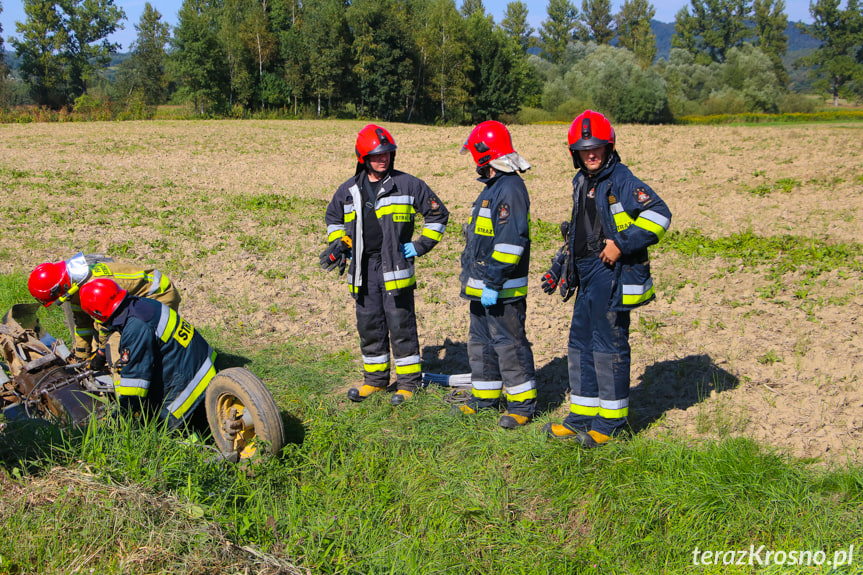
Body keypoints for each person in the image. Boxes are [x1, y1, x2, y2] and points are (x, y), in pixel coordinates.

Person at [541, 110, 672, 447]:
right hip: (585, 275)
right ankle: (581, 417)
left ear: (609, 147)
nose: (591, 154)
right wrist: (560, 267)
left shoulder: (622, 179)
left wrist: (622, 244)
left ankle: (611, 424)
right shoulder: (582, 180)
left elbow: (660, 214)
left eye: (597, 147)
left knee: (608, 346)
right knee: (579, 345)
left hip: (610, 275)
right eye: (585, 150)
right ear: (575, 154)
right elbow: (577, 233)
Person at [320, 124, 449, 406]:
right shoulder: (349, 189)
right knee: (369, 325)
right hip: (363, 269)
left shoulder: (408, 184)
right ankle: (375, 381)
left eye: (388, 154)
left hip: (394, 267)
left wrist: (418, 246)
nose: (383, 159)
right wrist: (340, 242)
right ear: (363, 157)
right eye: (377, 155)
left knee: (401, 325)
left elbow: (438, 216)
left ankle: (408, 385)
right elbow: (332, 218)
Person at [457, 121, 536, 429]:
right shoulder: (493, 187)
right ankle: (485, 398)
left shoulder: (511, 189)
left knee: (509, 345)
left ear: (482, 153)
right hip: (483, 287)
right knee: (481, 343)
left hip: (502, 289)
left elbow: (510, 243)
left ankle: (522, 406)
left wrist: (492, 282)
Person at [77, 278, 214, 428]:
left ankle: (190, 446)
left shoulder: (135, 328)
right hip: (207, 367)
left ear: (97, 313)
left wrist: (121, 416)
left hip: (190, 388)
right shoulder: (145, 304)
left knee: (159, 427)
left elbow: (135, 382)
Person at [27, 253, 181, 364]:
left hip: (158, 294)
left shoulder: (93, 287)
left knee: (118, 348)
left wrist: (101, 354)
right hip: (130, 299)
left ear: (60, 288)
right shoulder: (74, 284)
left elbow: (105, 325)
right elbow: (81, 323)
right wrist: (82, 357)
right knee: (103, 345)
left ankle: (128, 395)